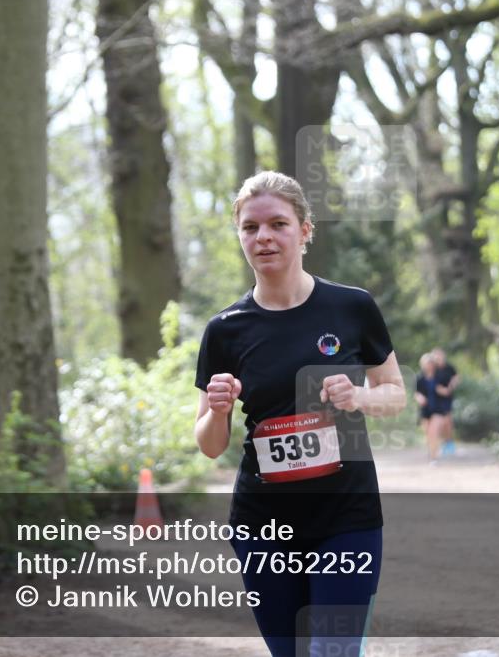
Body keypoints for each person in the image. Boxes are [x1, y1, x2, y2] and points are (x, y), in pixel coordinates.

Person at [194, 171, 406, 657]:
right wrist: (219, 409)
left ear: (305, 230)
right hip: (263, 525)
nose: (263, 237)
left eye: (278, 224)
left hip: (346, 517)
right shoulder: (225, 330)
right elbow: (208, 444)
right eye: (250, 227)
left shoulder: (352, 307)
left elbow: (394, 393)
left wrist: (359, 397)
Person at [430, 347, 460, 456]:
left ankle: (449, 442)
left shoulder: (449, 367)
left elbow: (456, 377)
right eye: (436, 356)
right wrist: (440, 390)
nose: (438, 358)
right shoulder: (433, 369)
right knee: (440, 422)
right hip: (436, 398)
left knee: (448, 421)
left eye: (440, 355)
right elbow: (431, 382)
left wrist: (453, 384)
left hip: (447, 398)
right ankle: (444, 442)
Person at [414, 353, 440, 461]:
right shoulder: (419, 378)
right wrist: (419, 397)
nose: (428, 365)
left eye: (430, 363)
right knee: (427, 434)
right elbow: (416, 393)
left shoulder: (439, 376)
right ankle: (432, 451)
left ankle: (434, 457)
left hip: (438, 408)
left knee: (432, 432)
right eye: (426, 363)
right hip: (425, 409)